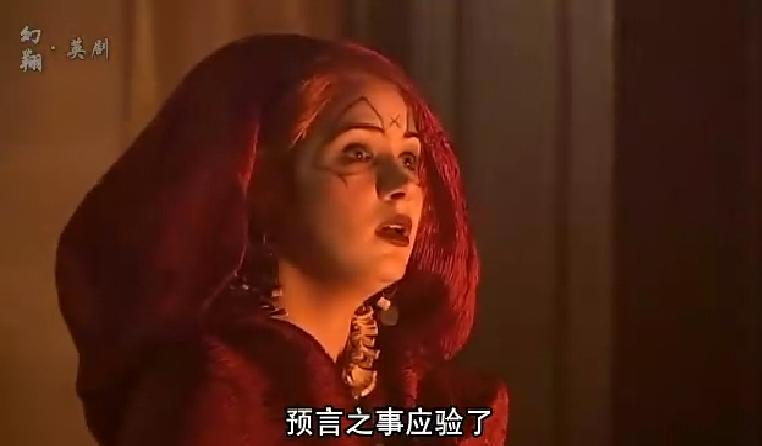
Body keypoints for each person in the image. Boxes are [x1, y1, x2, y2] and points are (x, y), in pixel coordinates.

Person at [55, 34, 508, 445]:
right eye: (357, 152)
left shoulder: (412, 398)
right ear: (266, 189)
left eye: (409, 159)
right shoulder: (220, 397)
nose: (402, 184)